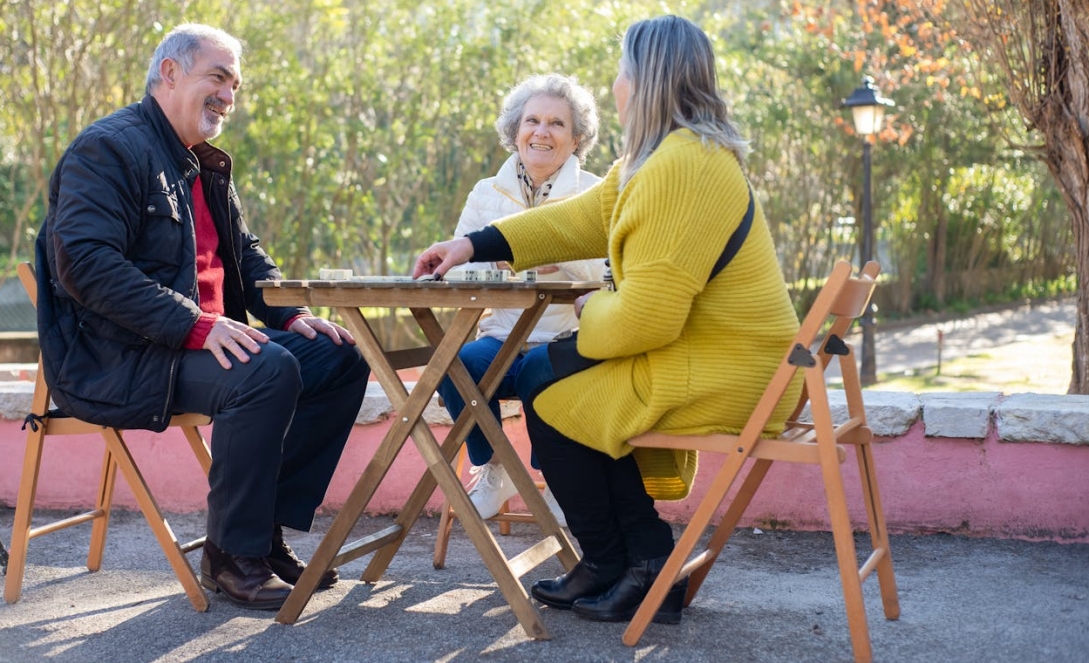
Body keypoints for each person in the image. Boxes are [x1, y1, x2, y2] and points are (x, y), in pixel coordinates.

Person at [414, 15, 802, 625]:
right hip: (715, 359)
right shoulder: (658, 158)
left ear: (646, 81)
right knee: (546, 376)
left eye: (623, 71)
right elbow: (575, 220)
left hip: (735, 374)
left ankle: (642, 565)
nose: (616, 83)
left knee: (549, 386)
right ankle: (615, 563)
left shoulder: (684, 165)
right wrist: (470, 245)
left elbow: (647, 318)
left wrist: (591, 307)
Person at [34, 24, 370, 611]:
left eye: (234, 86)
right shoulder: (109, 148)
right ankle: (230, 556)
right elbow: (84, 265)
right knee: (265, 372)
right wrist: (198, 325)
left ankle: (261, 535)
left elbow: (244, 254)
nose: (228, 97)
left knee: (340, 356)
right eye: (217, 77)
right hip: (124, 354)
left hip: (200, 341)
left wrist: (290, 316)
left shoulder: (202, 164)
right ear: (169, 73)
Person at [436, 74, 603, 526]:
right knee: (455, 364)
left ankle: (560, 479)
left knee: (538, 370)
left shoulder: (598, 192)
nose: (542, 132)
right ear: (515, 131)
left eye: (556, 123)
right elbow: (457, 267)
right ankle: (494, 468)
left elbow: (613, 273)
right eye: (532, 121)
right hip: (501, 335)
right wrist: (502, 262)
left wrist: (559, 254)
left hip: (569, 337)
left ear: (577, 139)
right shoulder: (484, 193)